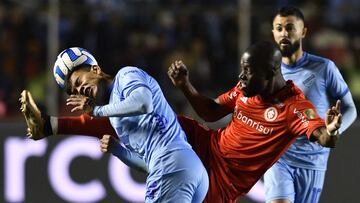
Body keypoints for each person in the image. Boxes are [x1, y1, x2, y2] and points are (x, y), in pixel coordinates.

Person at [21, 42, 342, 203]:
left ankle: (48, 125)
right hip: (202, 149)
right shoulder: (247, 90)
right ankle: (49, 125)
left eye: (248, 72)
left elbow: (318, 133)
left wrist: (328, 132)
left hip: (219, 181)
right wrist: (186, 87)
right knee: (136, 122)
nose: (241, 78)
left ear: (272, 75)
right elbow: (212, 112)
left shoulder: (295, 106)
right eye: (241, 71)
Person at [24, 47, 210, 203]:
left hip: (171, 165)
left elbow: (144, 102)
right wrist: (118, 150)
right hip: (189, 169)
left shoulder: (125, 75)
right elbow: (148, 164)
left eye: (79, 81)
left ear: (95, 69)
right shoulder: (115, 114)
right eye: (75, 91)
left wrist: (95, 112)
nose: (80, 90)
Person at [263, 6, 357, 203]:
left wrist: (332, 132)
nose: (284, 33)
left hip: (312, 161)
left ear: (303, 31)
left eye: (290, 27)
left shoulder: (323, 68)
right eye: (279, 28)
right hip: (278, 159)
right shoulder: (265, 72)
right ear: (273, 33)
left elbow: (350, 109)